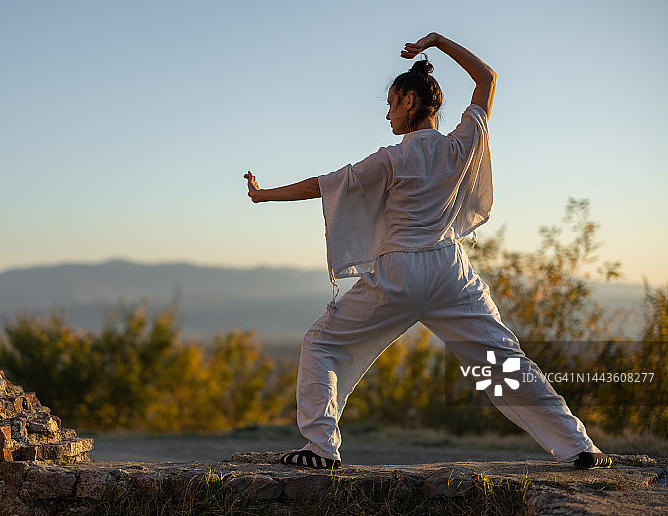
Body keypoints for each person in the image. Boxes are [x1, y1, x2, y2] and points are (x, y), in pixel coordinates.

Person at [244, 32, 612, 471]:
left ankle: (320, 448)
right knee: (502, 363)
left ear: (410, 101)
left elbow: (325, 185)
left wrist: (264, 195)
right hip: (450, 272)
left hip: (397, 273)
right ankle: (578, 446)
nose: (387, 114)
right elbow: (487, 77)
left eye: (391, 102)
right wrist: (437, 41)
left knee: (320, 344)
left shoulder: (391, 158)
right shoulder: (462, 145)